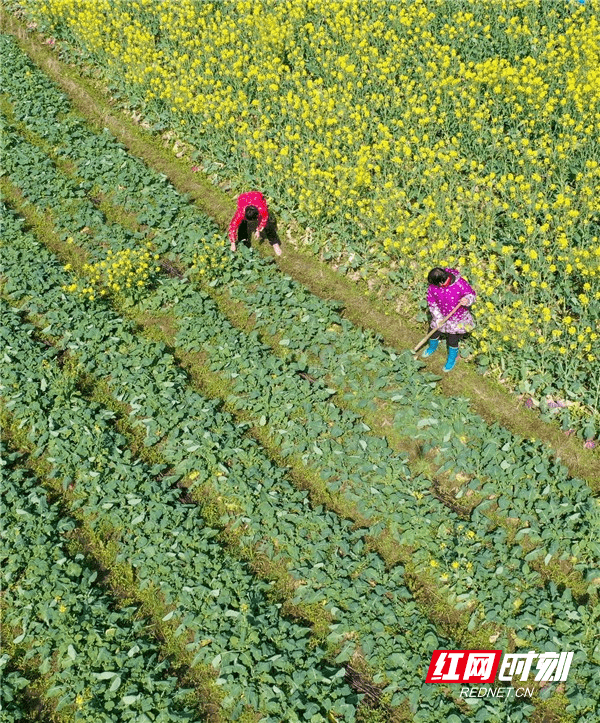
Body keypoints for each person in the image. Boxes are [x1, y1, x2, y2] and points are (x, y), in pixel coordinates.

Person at [422, 267, 476, 372]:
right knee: (433, 332)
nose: (433, 286)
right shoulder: (433, 287)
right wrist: (437, 317)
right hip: (441, 315)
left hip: (457, 317)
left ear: (441, 282)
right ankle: (432, 347)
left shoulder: (459, 283)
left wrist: (467, 299)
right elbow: (431, 302)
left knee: (452, 339)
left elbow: (471, 294)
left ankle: (452, 358)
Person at [228, 191, 282, 255]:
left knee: (267, 224)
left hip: (257, 197)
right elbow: (232, 227)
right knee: (242, 224)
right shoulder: (240, 213)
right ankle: (244, 241)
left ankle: (275, 243)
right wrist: (233, 243)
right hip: (243, 199)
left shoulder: (262, 208)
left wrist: (258, 229)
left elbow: (264, 219)